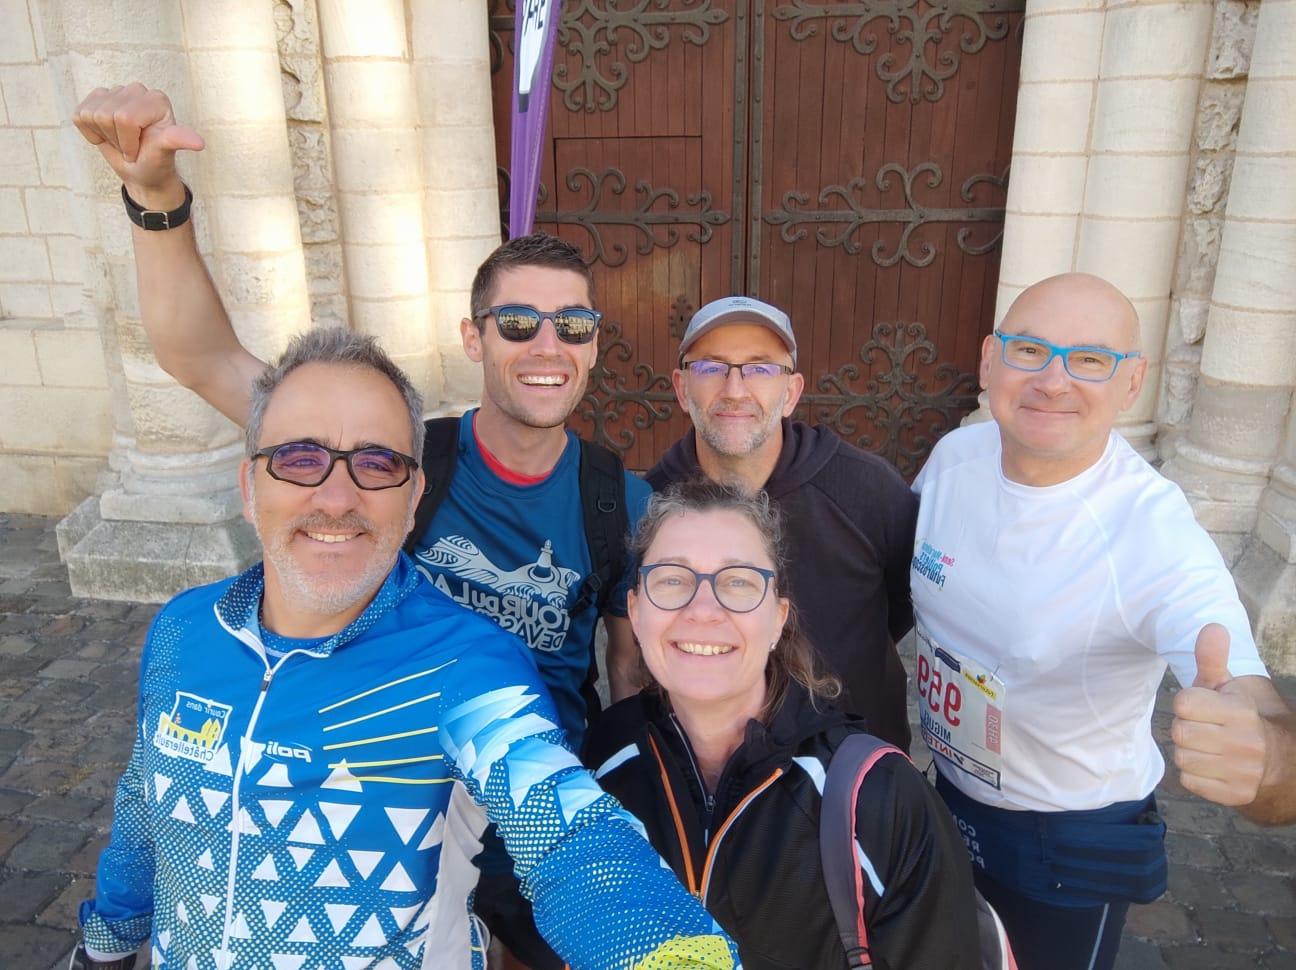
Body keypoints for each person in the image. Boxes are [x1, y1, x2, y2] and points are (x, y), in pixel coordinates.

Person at [73, 83, 650, 968]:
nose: (547, 345)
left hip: (521, 808)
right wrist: (157, 202)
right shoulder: (394, 445)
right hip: (381, 790)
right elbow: (203, 357)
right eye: (518, 322)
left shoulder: (619, 501)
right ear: (475, 337)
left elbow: (631, 679)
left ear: (596, 343)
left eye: (573, 325)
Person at [71, 329, 740, 970]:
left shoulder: (469, 669)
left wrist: (672, 954)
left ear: (414, 495)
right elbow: (144, 801)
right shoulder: (185, 632)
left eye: (377, 463)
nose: (337, 498)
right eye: (300, 459)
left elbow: (568, 836)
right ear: (251, 488)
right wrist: (106, 942)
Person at [909, 272, 1294, 970]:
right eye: (1029, 350)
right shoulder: (952, 458)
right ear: (990, 360)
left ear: (1131, 382)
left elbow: (1254, 702)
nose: (1054, 381)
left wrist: (1270, 761)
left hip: (1065, 845)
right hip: (948, 797)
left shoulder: (1153, 534)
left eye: (1090, 360)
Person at [586, 480, 982, 969]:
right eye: (672, 579)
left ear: (777, 620)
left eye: (738, 582)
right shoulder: (596, 766)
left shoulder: (877, 800)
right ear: (635, 611)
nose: (704, 610)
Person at [645, 297, 918, 750]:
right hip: (713, 776)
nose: (734, 389)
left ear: (790, 392)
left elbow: (904, 602)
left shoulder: (867, 490)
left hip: (856, 773)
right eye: (711, 368)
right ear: (681, 388)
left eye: (760, 369)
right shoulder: (651, 505)